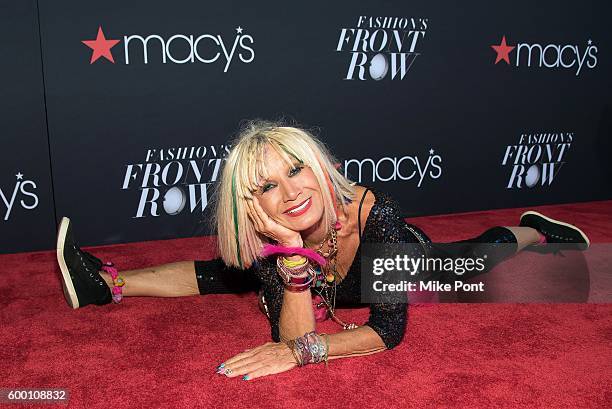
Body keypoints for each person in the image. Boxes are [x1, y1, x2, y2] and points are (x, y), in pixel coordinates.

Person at [56, 120, 590, 381]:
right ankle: (107, 283)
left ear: (317, 163)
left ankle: (533, 230)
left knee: (478, 257)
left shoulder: (376, 213)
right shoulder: (271, 232)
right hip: (318, 272)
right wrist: (289, 251)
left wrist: (304, 353)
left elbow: (386, 332)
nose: (290, 194)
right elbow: (289, 329)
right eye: (267, 186)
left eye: (295, 170)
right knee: (228, 272)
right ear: (252, 201)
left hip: (406, 261)